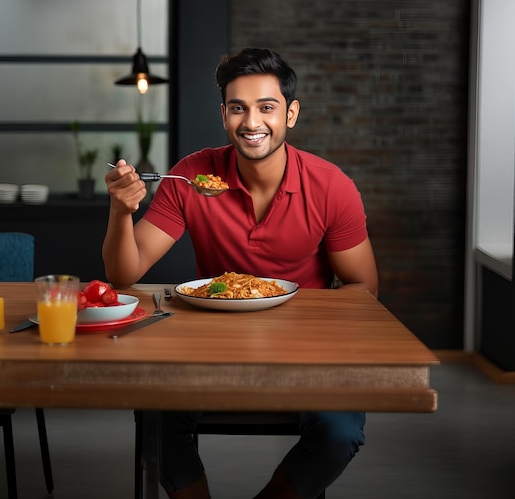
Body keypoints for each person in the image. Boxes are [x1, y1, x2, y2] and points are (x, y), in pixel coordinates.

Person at [102, 47, 378, 499]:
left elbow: (364, 285)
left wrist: (312, 327)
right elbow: (123, 273)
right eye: (238, 108)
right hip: (210, 342)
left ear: (291, 113)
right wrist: (119, 210)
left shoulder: (332, 187)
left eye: (267, 108)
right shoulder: (191, 176)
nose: (252, 122)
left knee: (340, 431)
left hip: (305, 349)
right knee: (153, 413)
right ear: (224, 114)